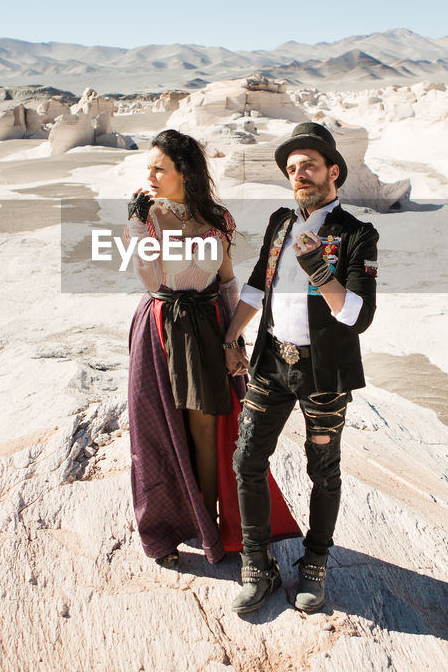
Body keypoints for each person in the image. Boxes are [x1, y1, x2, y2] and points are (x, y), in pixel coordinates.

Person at [222, 122, 379, 614]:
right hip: (272, 364)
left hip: (323, 375)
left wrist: (318, 271)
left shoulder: (357, 234)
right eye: (292, 169)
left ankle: (314, 561)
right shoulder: (281, 223)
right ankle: (256, 563)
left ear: (334, 171)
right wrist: (232, 338)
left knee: (323, 470)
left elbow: (357, 315)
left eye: (309, 165)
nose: (300, 175)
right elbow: (255, 285)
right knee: (246, 459)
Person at [124, 129, 298, 568]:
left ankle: (208, 528)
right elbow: (148, 280)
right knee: (159, 430)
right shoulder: (148, 218)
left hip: (206, 325)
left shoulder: (218, 218)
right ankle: (167, 527)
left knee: (206, 430)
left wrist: (233, 341)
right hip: (160, 326)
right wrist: (134, 226)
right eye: (149, 167)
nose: (150, 175)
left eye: (158, 167)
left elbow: (227, 281)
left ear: (184, 171)